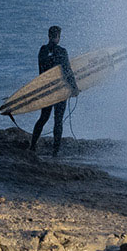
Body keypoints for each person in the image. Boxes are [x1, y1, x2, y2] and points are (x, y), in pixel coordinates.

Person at [31, 26, 72, 155]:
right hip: (59, 90)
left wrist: (40, 89)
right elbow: (67, 72)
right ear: (58, 37)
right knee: (58, 120)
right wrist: (74, 89)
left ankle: (32, 146)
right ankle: (55, 151)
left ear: (49, 36)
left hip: (47, 90)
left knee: (43, 117)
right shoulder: (62, 51)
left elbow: (40, 72)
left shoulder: (42, 50)